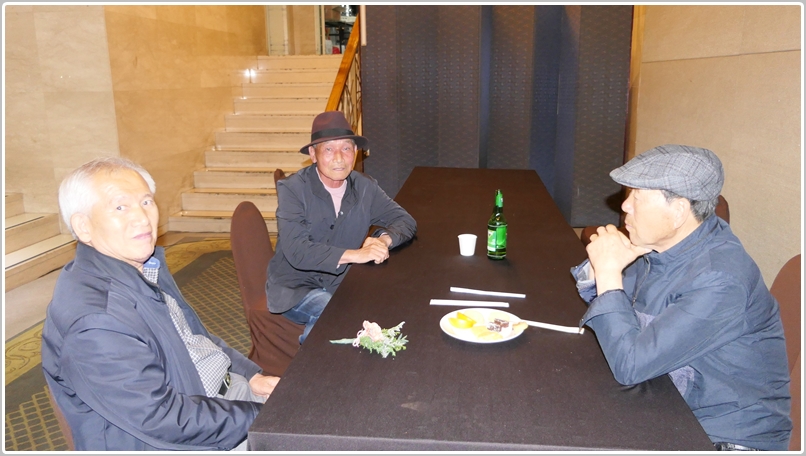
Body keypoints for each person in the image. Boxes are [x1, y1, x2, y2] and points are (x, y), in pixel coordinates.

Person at [41, 157, 278, 451]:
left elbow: (195, 338)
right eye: (120, 207)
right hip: (190, 436)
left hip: (219, 398)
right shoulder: (96, 320)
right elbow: (163, 419)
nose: (142, 218)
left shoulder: (142, 267)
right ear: (83, 226)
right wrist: (265, 417)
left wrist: (250, 376)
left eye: (146, 202)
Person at [571, 144, 792, 451]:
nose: (625, 206)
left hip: (723, 437)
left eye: (638, 196)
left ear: (678, 212)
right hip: (670, 399)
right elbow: (618, 309)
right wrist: (602, 269)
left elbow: (630, 364)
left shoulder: (720, 280)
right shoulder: (670, 244)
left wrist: (609, 272)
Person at [266, 111, 417, 344]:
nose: (339, 157)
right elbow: (297, 250)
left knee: (393, 302)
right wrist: (357, 254)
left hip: (342, 282)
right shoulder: (293, 189)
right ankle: (309, 365)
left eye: (346, 148)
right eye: (328, 149)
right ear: (313, 154)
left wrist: (382, 240)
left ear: (355, 153)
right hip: (296, 286)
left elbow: (405, 220)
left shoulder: (364, 187)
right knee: (332, 312)